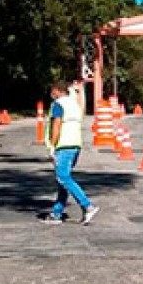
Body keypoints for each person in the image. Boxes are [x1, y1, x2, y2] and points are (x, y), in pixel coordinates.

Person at [39, 81, 99, 224]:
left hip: (63, 146)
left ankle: (87, 205)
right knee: (62, 181)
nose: (51, 94)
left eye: (52, 91)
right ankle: (56, 213)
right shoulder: (74, 104)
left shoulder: (58, 105)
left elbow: (57, 126)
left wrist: (52, 147)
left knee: (63, 177)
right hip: (75, 145)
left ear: (58, 91)